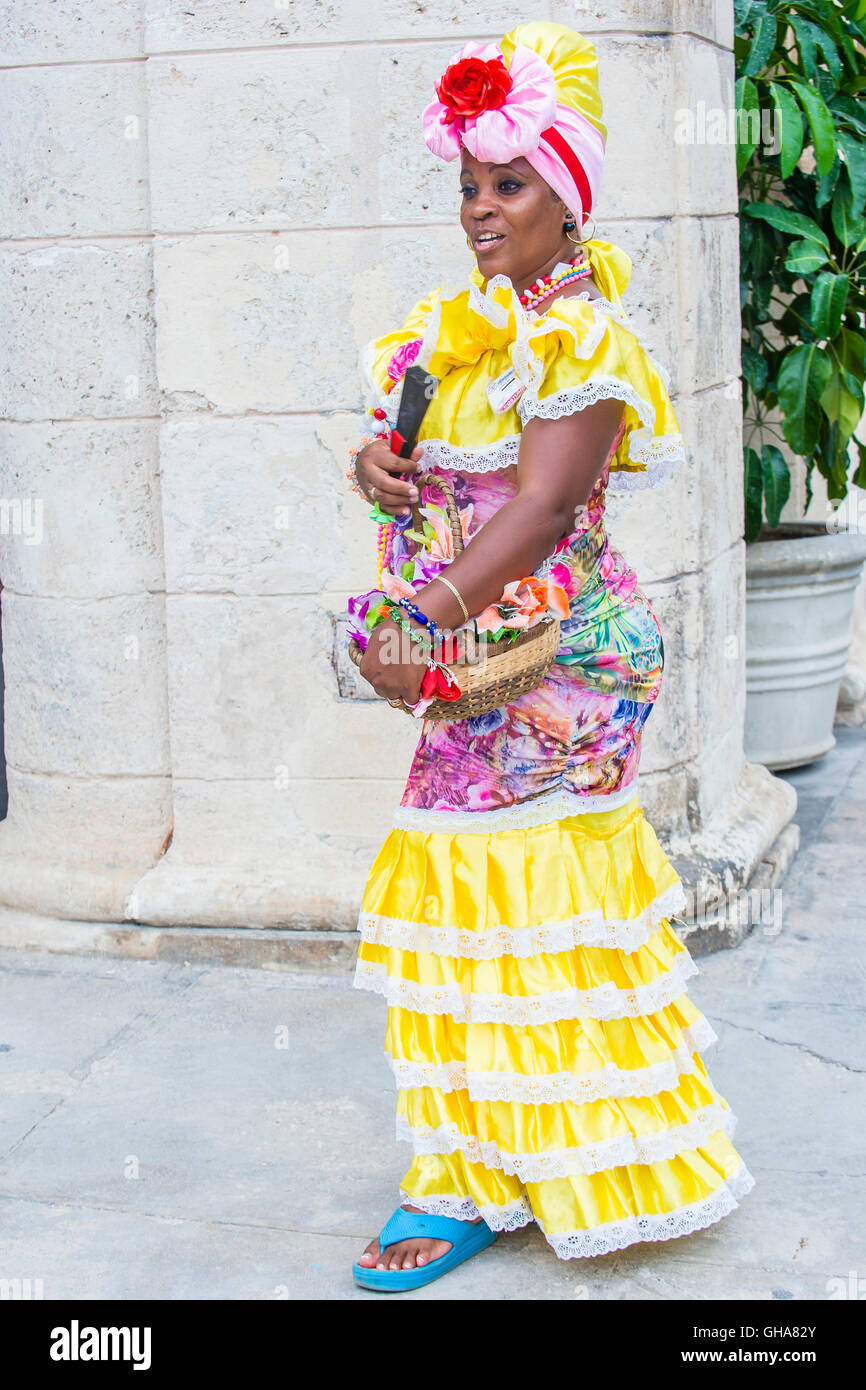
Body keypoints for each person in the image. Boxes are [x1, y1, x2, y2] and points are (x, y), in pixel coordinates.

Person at [345, 20, 754, 1292]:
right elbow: (437, 485)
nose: (478, 207)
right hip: (487, 640)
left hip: (551, 652)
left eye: (508, 183)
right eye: (467, 183)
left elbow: (538, 510)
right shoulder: (454, 328)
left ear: (567, 202)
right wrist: (376, 469)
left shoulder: (575, 335)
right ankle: (489, 1166)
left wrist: (419, 625)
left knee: (501, 894)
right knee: (485, 903)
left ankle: (525, 1172)